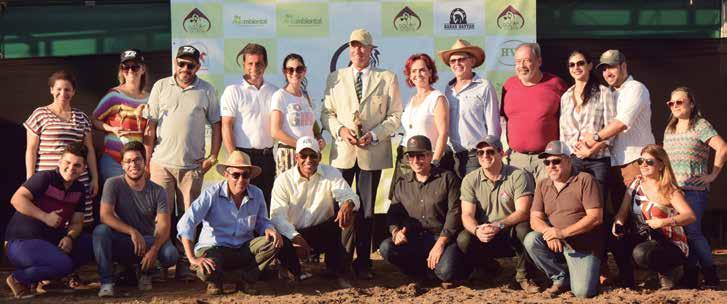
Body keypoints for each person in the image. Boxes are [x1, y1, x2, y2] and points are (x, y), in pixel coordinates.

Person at [321, 28, 403, 279]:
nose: (358, 50)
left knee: (366, 211)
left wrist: (375, 134)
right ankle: (338, 263)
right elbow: (326, 114)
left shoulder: (387, 77)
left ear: (371, 49)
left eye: (363, 46)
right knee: (340, 209)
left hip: (372, 152)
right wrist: (341, 130)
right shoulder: (335, 77)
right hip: (343, 153)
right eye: (353, 46)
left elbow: (395, 116)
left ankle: (364, 263)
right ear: (349, 49)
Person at [145, 45, 221, 280]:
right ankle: (160, 264)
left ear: (198, 66)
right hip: (161, 164)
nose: (185, 69)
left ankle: (184, 264)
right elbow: (150, 125)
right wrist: (147, 160)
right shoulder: (160, 86)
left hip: (192, 168)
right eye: (181, 63)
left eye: (191, 65)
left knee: (190, 218)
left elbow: (216, 125)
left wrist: (213, 156)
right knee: (160, 217)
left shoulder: (207, 90)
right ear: (175, 64)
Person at [582, 49, 656, 287]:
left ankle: (653, 272)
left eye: (612, 67)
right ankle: (627, 275)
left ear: (624, 66)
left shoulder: (636, 89)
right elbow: (610, 132)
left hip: (636, 163)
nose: (607, 72)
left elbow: (621, 123)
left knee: (642, 220)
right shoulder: (610, 93)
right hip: (614, 164)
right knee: (618, 222)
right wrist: (592, 149)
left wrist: (593, 138)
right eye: (604, 68)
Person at [176, 151, 285, 295]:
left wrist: (269, 228)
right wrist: (192, 259)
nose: (241, 179)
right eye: (236, 175)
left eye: (245, 175)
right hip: (215, 248)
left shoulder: (257, 193)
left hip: (243, 248)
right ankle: (228, 279)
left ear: (250, 177)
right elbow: (186, 222)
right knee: (205, 269)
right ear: (226, 175)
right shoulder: (211, 194)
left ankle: (242, 279)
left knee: (274, 242)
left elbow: (262, 222)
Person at [5, 143, 94, 299]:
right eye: (67, 163)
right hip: (21, 241)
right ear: (59, 162)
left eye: (77, 165)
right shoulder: (44, 177)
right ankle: (18, 278)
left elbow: (77, 222)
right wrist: (45, 217)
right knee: (63, 264)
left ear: (83, 168)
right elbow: (16, 199)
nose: (71, 168)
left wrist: (70, 237)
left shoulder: (79, 189)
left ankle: (50, 280)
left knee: (89, 243)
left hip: (49, 242)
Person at [270, 136, 359, 288]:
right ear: (296, 157)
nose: (308, 160)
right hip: (294, 234)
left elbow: (351, 196)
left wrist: (348, 204)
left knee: (350, 215)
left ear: (320, 156)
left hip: (322, 231)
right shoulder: (283, 180)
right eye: (303, 156)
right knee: (277, 238)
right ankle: (293, 270)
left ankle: (340, 271)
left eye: (313, 155)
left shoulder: (331, 172)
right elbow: (277, 216)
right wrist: (295, 237)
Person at [93, 142, 179, 297]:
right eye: (128, 161)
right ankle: (107, 282)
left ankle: (145, 271)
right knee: (100, 232)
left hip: (146, 242)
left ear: (145, 162)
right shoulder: (112, 184)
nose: (133, 165)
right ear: (122, 165)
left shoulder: (158, 191)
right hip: (124, 240)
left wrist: (154, 249)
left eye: (137, 160)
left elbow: (164, 226)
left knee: (170, 254)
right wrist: (132, 231)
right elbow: (105, 215)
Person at [379, 135, 465, 289]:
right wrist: (396, 232)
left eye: (421, 156)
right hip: (414, 239)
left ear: (430, 156)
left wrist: (441, 243)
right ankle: (420, 273)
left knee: (446, 273)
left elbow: (455, 213)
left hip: (442, 238)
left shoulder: (448, 178)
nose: (416, 160)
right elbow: (393, 214)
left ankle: (446, 269)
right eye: (411, 156)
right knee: (386, 247)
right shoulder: (402, 183)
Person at [456, 135, 539, 293]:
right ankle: (489, 268)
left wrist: (498, 225)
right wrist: (476, 230)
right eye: (480, 153)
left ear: (502, 153)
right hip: (485, 232)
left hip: (509, 230)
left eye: (490, 152)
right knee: (463, 239)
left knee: (524, 229)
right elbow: (466, 215)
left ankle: (523, 276)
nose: (485, 156)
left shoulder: (518, 175)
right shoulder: (470, 179)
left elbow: (523, 211)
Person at [663, 87, 726, 288]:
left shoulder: (700, 125)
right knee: (682, 233)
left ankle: (710, 274)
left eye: (679, 102)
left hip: (694, 190)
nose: (675, 106)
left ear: (691, 103)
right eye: (671, 103)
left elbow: (722, 147)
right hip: (674, 191)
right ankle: (691, 274)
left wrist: (712, 175)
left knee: (692, 232)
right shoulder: (669, 128)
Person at [523, 140, 604, 298]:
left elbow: (595, 217)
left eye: (556, 161)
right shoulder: (543, 184)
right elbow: (534, 219)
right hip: (556, 242)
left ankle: (589, 270)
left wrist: (562, 233)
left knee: (583, 292)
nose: (550, 166)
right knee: (531, 240)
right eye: (547, 162)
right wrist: (549, 231)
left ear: (568, 160)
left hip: (583, 246)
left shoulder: (585, 179)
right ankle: (560, 277)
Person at [612, 144, 696, 290]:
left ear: (661, 165)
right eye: (640, 161)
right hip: (644, 236)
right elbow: (622, 213)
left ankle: (670, 271)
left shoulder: (669, 189)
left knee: (641, 253)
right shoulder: (635, 185)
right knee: (615, 240)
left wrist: (663, 222)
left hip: (669, 242)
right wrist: (618, 223)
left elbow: (690, 216)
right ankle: (629, 283)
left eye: (649, 162)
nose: (643, 165)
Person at [25, 70, 98, 225]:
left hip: (78, 181)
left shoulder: (82, 117)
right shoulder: (40, 114)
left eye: (67, 89)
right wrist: (31, 180)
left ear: (73, 92)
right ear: (51, 90)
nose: (62, 93)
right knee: (48, 222)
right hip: (48, 181)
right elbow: (31, 150)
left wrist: (95, 178)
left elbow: (89, 150)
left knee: (78, 225)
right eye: (58, 89)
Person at [221, 43, 278, 209]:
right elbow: (226, 126)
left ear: (265, 65)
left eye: (259, 63)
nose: (254, 68)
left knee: (264, 205)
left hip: (267, 158)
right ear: (244, 65)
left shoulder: (275, 92)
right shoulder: (233, 91)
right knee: (239, 205)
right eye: (250, 64)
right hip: (242, 157)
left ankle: (262, 236)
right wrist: (235, 158)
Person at [501, 43, 567, 181]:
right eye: (518, 61)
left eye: (527, 60)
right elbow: (503, 120)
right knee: (520, 202)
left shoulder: (557, 84)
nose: (522, 65)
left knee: (548, 201)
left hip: (548, 159)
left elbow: (567, 121)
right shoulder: (508, 85)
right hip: (516, 160)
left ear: (539, 61)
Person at [437, 39, 501, 178]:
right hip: (451, 157)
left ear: (472, 61)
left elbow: (494, 127)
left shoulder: (484, 86)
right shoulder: (448, 90)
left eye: (461, 59)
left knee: (474, 199)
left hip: (475, 156)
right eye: (452, 61)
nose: (456, 64)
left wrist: (487, 155)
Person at [390, 53, 448, 196]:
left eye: (422, 70)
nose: (418, 74)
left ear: (430, 72)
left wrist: (435, 162)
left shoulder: (437, 98)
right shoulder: (411, 100)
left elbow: (443, 133)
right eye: (413, 71)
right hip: (405, 158)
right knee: (402, 202)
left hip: (425, 160)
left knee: (424, 201)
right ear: (409, 76)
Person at [92, 49, 149, 185]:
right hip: (114, 160)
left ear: (143, 69)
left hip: (138, 163)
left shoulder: (150, 98)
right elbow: (94, 120)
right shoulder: (114, 95)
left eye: (135, 67)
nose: (130, 71)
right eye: (125, 67)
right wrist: (112, 129)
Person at [270, 53, 324, 176]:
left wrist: (319, 138)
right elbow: (275, 131)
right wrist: (301, 146)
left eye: (299, 69)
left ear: (304, 71)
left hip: (309, 156)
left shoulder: (306, 96)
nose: (295, 73)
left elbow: (312, 125)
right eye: (290, 70)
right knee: (291, 193)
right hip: (289, 154)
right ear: (285, 72)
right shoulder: (280, 96)